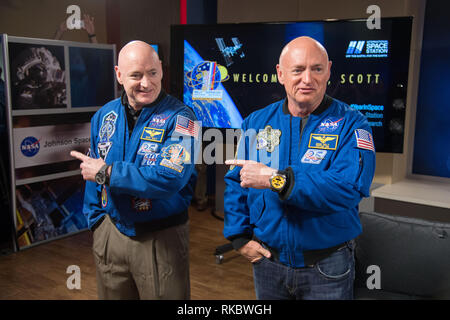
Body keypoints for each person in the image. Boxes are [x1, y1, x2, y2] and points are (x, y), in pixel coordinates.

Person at [224, 36, 376, 300]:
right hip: (268, 263)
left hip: (327, 266)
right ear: (281, 74)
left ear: (328, 70)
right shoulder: (256, 121)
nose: (308, 79)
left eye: (316, 69)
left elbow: (349, 187)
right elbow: (236, 179)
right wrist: (238, 237)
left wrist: (276, 179)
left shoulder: (354, 124)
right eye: (298, 70)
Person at [70, 41, 199, 299]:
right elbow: (92, 172)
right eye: (136, 75)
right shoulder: (103, 116)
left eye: (152, 72)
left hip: (160, 238)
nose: (146, 83)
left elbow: (170, 178)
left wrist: (108, 173)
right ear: (119, 75)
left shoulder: (185, 119)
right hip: (111, 233)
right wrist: (97, 223)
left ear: (161, 69)